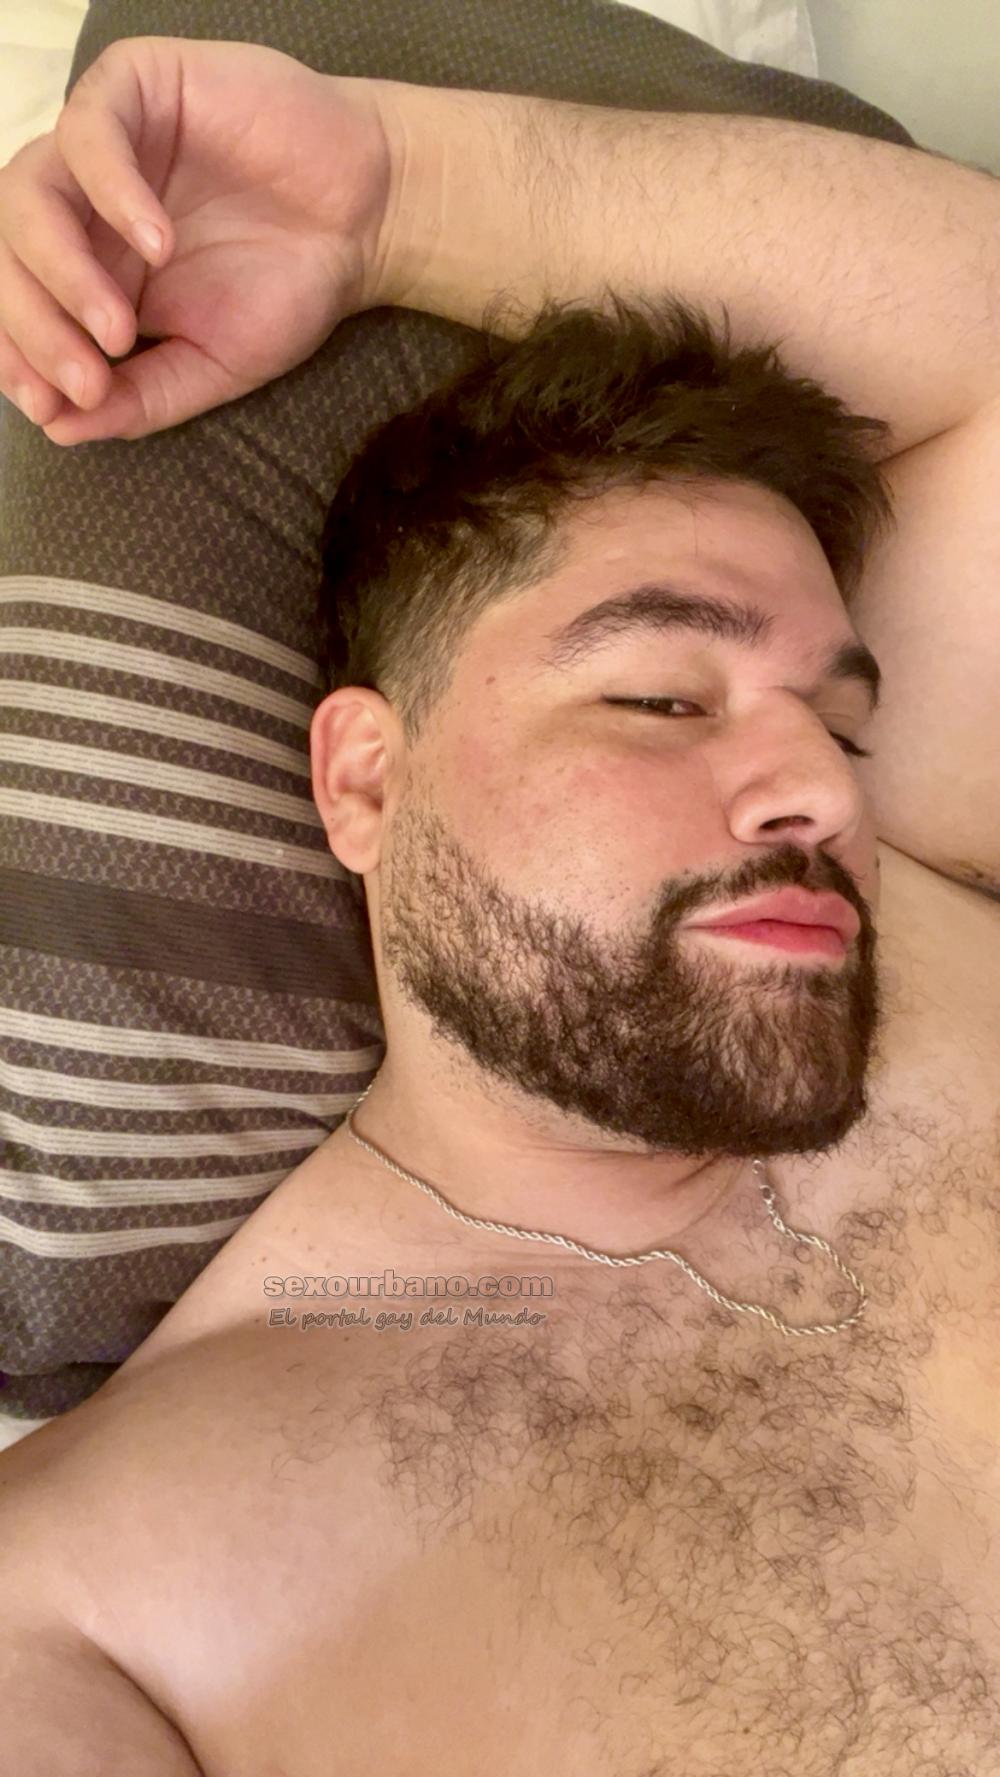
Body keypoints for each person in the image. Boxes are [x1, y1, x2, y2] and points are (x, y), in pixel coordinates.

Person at [1, 35, 999, 1776]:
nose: (826, 788)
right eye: (662, 697)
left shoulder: (901, 895)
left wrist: (397, 191)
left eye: (842, 719)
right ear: (363, 781)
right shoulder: (108, 1608)